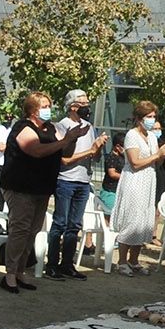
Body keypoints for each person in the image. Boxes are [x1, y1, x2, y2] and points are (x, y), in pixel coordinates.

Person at [0, 92, 82, 293]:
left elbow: (65, 152)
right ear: (33, 109)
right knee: (20, 228)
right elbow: (35, 150)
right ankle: (9, 274)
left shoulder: (50, 128)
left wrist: (73, 138)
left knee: (32, 230)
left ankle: (20, 271)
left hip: (42, 187)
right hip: (20, 186)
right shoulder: (23, 127)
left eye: (49, 105)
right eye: (44, 105)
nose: (48, 109)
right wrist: (64, 141)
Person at [110, 100, 165, 276]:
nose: (152, 120)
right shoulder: (132, 135)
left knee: (145, 221)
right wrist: (157, 154)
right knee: (132, 219)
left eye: (154, 116)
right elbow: (135, 162)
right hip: (134, 180)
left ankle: (134, 260)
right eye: (149, 116)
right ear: (139, 118)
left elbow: (157, 160)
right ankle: (122, 260)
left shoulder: (152, 137)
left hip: (149, 181)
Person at [46, 89, 106, 281]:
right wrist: (90, 150)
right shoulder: (62, 126)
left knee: (75, 225)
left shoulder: (89, 126)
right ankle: (52, 265)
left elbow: (94, 156)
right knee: (60, 223)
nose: (87, 107)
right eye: (83, 103)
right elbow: (64, 159)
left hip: (83, 181)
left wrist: (98, 148)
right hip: (65, 180)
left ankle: (67, 264)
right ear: (72, 106)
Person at [96, 138, 123, 215]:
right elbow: (112, 173)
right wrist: (126, 177)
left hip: (120, 191)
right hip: (110, 191)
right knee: (110, 214)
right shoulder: (111, 157)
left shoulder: (123, 158)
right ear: (118, 146)